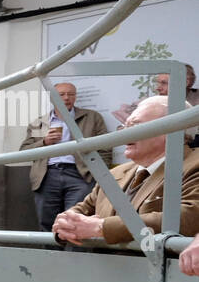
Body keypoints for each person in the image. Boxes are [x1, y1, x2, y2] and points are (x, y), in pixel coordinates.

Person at [52, 96, 199, 246]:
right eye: (123, 127)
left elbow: (190, 217)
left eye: (134, 126)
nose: (124, 134)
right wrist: (65, 222)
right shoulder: (115, 173)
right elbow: (83, 209)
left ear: (172, 130)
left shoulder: (195, 164)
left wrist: (101, 227)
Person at [19, 82, 111, 233]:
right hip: (46, 176)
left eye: (71, 94)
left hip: (80, 174)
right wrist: (44, 142)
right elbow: (24, 151)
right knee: (47, 222)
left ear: (75, 97)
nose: (66, 98)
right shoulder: (40, 123)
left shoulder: (92, 117)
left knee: (76, 221)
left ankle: (75, 257)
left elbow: (106, 148)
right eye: (61, 94)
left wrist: (97, 174)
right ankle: (50, 256)